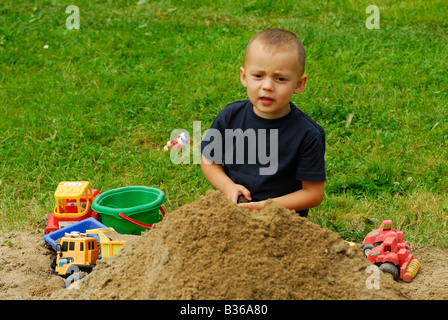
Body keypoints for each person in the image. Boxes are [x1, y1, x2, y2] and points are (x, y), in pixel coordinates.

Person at [199, 29, 326, 217]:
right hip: (232, 212)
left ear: (299, 84)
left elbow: (313, 193)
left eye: (280, 78)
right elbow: (209, 160)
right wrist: (228, 186)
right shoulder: (230, 116)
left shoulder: (307, 134)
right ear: (244, 77)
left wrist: (265, 206)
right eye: (258, 76)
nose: (267, 86)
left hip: (281, 222)